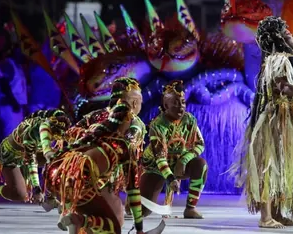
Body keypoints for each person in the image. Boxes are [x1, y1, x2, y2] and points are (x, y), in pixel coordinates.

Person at [230, 15, 293, 228]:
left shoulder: (292, 59)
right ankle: (265, 217)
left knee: (285, 164)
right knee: (272, 164)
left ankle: (277, 212)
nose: (291, 33)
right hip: (278, 118)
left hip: (292, 117)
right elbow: (283, 87)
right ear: (277, 38)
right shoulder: (279, 59)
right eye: (286, 31)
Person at [44, 78, 163, 234]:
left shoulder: (94, 118)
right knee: (114, 223)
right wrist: (139, 228)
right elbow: (132, 186)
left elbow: (64, 133)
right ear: (134, 103)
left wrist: (47, 149)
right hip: (89, 180)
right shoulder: (132, 128)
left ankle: (71, 214)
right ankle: (77, 218)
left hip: (57, 174)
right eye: (140, 102)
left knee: (96, 218)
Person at [140, 80, 207, 219]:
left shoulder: (189, 120)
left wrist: (184, 160)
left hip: (177, 163)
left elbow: (200, 144)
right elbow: (159, 157)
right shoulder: (158, 125)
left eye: (183, 102)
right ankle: (133, 201)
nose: (181, 107)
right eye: (175, 103)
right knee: (143, 212)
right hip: (155, 167)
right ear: (166, 105)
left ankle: (190, 208)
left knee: (201, 165)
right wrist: (170, 178)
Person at [0, 108, 71, 207]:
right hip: (12, 156)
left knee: (61, 157)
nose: (55, 137)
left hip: (33, 154)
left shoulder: (57, 129)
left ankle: (51, 196)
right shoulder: (32, 131)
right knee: (19, 194)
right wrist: (37, 188)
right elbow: (31, 160)